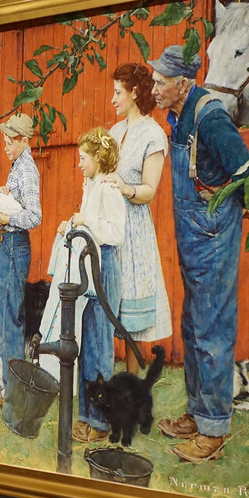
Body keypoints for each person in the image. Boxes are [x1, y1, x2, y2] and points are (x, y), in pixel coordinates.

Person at [148, 45, 249, 462]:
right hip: (194, 237)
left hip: (212, 237)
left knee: (211, 330)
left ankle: (214, 430)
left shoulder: (210, 117)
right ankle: (197, 414)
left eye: (161, 82)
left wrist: (245, 202)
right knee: (194, 326)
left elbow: (247, 169)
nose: (154, 89)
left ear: (183, 84)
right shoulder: (179, 116)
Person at [39, 128, 126, 443]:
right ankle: (87, 415)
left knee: (100, 344)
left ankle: (101, 422)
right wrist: (71, 224)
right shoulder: (91, 185)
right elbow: (86, 222)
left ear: (99, 159)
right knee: (87, 342)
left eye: (83, 158)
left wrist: (85, 222)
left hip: (104, 268)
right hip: (88, 266)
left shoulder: (109, 189)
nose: (79, 164)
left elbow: (115, 233)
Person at [105, 63, 174, 374]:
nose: (113, 99)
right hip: (109, 225)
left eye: (118, 92)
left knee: (132, 313)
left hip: (133, 231)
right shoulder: (114, 132)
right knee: (106, 303)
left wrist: (124, 188)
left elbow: (148, 191)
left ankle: (132, 383)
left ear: (134, 93)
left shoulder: (153, 135)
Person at [0, 113, 42, 408]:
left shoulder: (27, 170)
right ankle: (10, 385)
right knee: (6, 315)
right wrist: (7, 196)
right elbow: (21, 204)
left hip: (15, 245)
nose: (5, 146)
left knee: (11, 318)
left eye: (10, 141)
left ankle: (14, 391)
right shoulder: (18, 166)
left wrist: (6, 218)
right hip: (8, 244)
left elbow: (34, 216)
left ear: (23, 140)